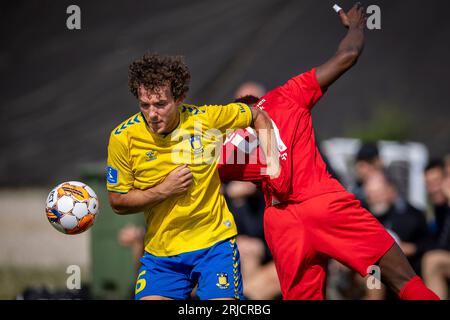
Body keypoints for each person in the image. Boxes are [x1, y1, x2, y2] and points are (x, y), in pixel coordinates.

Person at [218, 3, 439, 300]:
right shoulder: (286, 95)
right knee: (403, 280)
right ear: (259, 99)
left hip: (282, 223)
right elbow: (348, 55)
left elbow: (187, 175)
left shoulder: (229, 144)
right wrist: (356, 26)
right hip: (325, 204)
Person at [106, 53, 279, 300]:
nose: (152, 114)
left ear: (179, 98)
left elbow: (257, 115)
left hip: (214, 246)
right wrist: (164, 189)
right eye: (145, 105)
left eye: (161, 104)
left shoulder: (206, 119)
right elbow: (117, 201)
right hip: (162, 254)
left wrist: (273, 165)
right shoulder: (122, 138)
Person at [422, 159, 450, 299]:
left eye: (436, 182)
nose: (432, 189)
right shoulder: (439, 209)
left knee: (433, 261)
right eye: (428, 184)